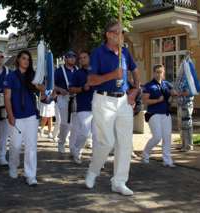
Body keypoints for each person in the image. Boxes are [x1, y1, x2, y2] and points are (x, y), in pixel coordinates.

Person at [84, 19, 140, 196]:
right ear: (109, 34)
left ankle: (119, 182)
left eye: (123, 32)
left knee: (125, 143)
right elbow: (91, 81)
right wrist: (112, 75)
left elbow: (135, 72)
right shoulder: (98, 53)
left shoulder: (125, 53)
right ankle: (93, 170)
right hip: (103, 101)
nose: (122, 35)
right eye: (118, 32)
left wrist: (135, 91)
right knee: (106, 142)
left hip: (123, 101)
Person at [4, 50, 45, 186]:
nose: (26, 61)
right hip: (16, 116)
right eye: (23, 58)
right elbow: (7, 97)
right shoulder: (11, 76)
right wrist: (10, 115)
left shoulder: (33, 75)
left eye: (28, 59)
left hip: (31, 115)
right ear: (18, 60)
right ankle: (13, 166)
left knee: (31, 146)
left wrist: (37, 85)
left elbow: (44, 90)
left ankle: (30, 175)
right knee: (15, 145)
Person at [142, 64, 177, 167]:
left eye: (160, 72)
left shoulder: (166, 84)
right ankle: (145, 154)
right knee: (157, 137)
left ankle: (167, 160)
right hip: (154, 114)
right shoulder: (149, 85)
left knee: (167, 137)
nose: (159, 74)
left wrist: (174, 94)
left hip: (166, 113)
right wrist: (157, 100)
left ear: (163, 73)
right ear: (153, 73)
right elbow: (145, 101)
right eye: (157, 72)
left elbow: (173, 93)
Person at [68, 51, 94, 164]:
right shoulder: (77, 74)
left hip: (99, 106)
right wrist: (83, 88)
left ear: (89, 58)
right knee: (85, 132)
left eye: (85, 57)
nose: (82, 59)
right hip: (83, 106)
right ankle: (77, 150)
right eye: (81, 58)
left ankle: (97, 160)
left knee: (98, 135)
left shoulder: (98, 72)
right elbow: (71, 89)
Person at [54, 51, 78, 153]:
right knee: (65, 123)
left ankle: (73, 146)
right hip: (63, 98)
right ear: (65, 59)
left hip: (76, 98)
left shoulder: (78, 70)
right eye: (70, 57)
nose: (72, 59)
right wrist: (60, 89)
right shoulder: (59, 71)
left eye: (74, 57)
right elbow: (52, 85)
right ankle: (61, 142)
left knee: (75, 124)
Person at [177, 75, 195, 152]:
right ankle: (184, 144)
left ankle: (188, 146)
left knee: (186, 125)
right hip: (181, 104)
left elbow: (189, 92)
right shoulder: (182, 78)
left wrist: (179, 93)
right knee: (182, 125)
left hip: (186, 105)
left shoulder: (189, 79)